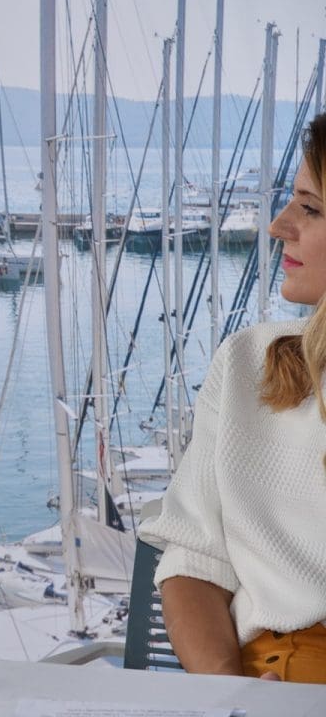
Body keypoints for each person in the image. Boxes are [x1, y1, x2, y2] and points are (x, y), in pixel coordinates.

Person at [139, 112, 326, 683]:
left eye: (311, 208)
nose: (279, 225)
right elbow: (195, 560)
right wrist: (229, 693)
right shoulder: (249, 362)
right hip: (272, 678)